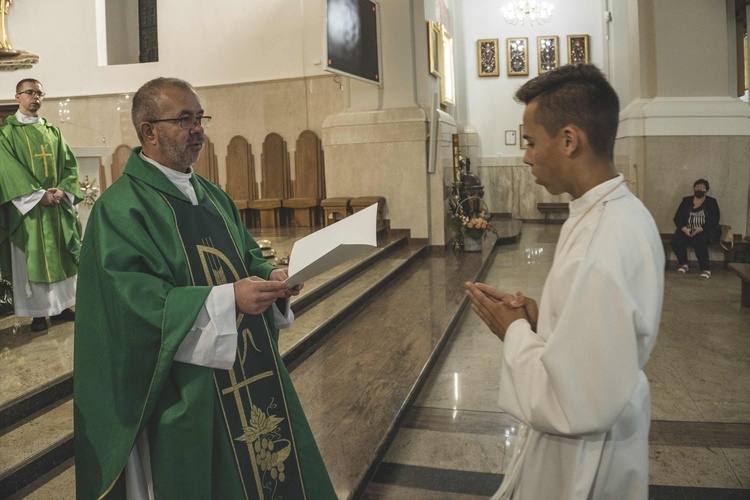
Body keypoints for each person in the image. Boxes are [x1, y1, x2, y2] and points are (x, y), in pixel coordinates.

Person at [74, 77, 336, 499]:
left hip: (246, 369)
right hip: (184, 386)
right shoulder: (120, 209)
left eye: (200, 118)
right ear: (149, 131)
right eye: (184, 120)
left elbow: (244, 255)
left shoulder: (211, 196)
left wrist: (271, 278)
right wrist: (227, 298)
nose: (198, 129)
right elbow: (133, 306)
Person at [465, 64, 664, 499]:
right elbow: (602, 335)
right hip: (611, 418)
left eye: (532, 142)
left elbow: (571, 401)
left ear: (570, 140)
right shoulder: (619, 211)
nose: (526, 156)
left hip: (584, 458)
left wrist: (513, 330)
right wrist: (543, 320)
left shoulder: (600, 242)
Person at [0, 78, 82, 332]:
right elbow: (7, 170)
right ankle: (37, 314)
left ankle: (60, 309)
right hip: (28, 211)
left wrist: (62, 189)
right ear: (18, 97)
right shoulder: (7, 133)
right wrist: (37, 195)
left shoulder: (52, 131)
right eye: (29, 92)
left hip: (55, 205)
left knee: (60, 253)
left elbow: (68, 163)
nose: (35, 97)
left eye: (39, 93)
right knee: (31, 258)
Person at [671, 178, 720, 280]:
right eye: (697, 187)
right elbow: (677, 218)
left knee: (699, 241)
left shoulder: (711, 202)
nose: (699, 189)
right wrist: (685, 229)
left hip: (705, 231)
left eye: (702, 188)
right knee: (676, 240)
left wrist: (700, 229)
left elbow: (714, 220)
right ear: (693, 188)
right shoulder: (686, 201)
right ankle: (684, 264)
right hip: (687, 229)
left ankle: (705, 269)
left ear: (706, 190)